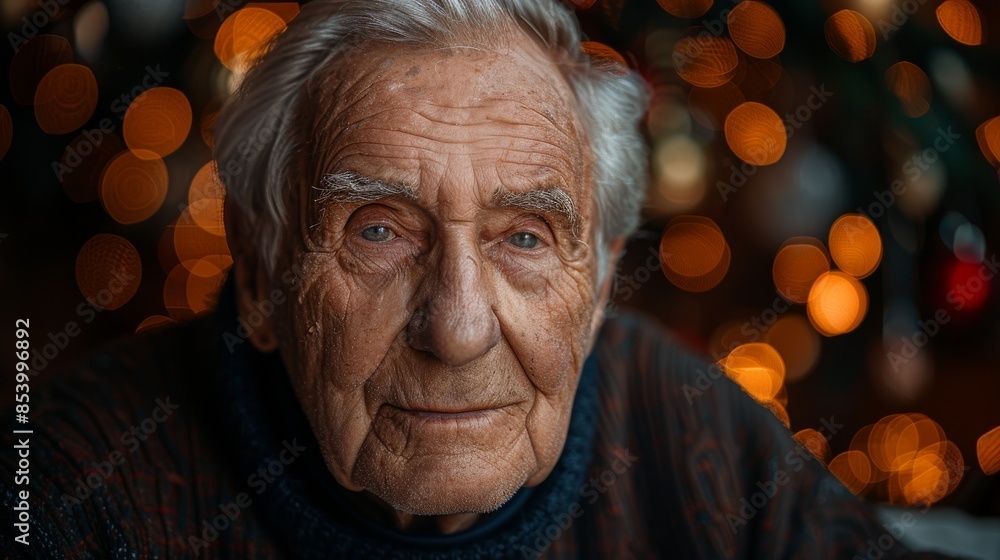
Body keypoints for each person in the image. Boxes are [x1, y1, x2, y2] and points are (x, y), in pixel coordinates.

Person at [0, 0, 959, 558]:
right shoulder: (76, 481)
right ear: (260, 276)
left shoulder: (675, 417)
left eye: (527, 238)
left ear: (597, 282)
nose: (457, 328)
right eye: (378, 230)